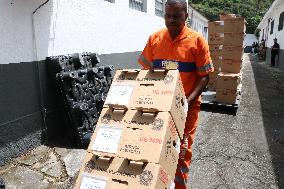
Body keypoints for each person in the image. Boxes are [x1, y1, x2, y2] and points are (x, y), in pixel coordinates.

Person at [138, 0, 213, 188]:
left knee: (180, 152)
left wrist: (184, 103)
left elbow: (204, 78)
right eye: (167, 15)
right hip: (159, 107)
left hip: (187, 110)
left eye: (176, 16)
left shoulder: (197, 41)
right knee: (153, 148)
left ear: (186, 16)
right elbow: (146, 72)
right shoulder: (155, 39)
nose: (171, 20)